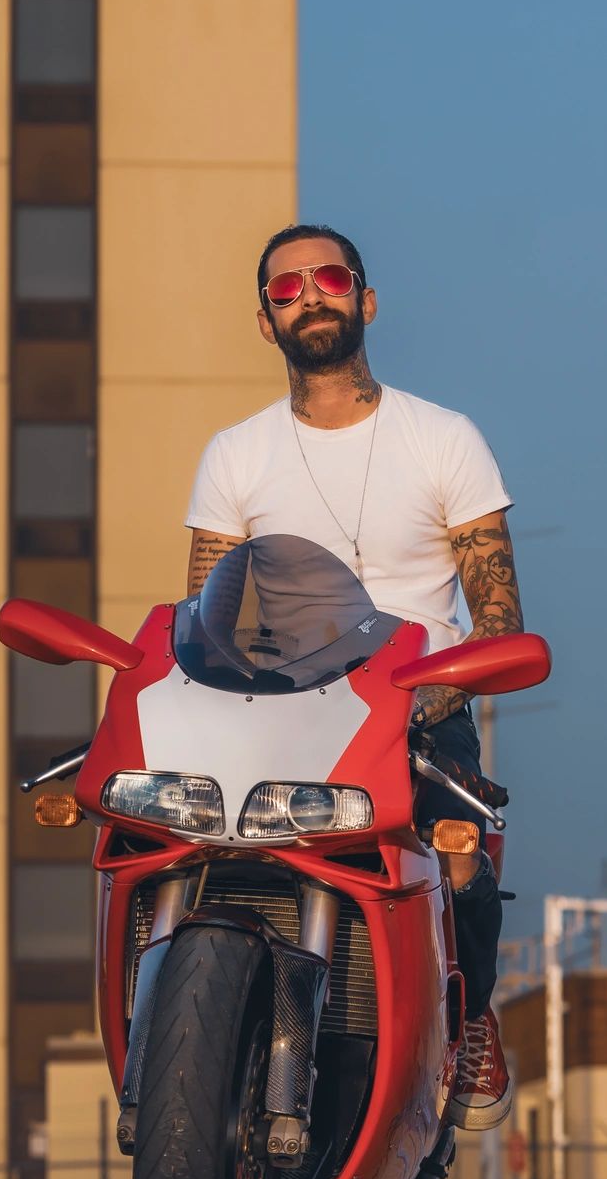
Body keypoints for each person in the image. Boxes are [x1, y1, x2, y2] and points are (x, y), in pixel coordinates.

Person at [185, 221, 522, 1128]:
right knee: (179, 842)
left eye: (327, 278)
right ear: (266, 321)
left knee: (463, 859)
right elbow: (204, 623)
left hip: (418, 704)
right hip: (281, 710)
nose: (309, 296)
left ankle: (470, 1016)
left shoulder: (444, 439)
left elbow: (497, 618)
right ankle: (184, 1037)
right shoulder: (235, 455)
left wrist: (424, 697)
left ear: (365, 299)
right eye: (285, 289)